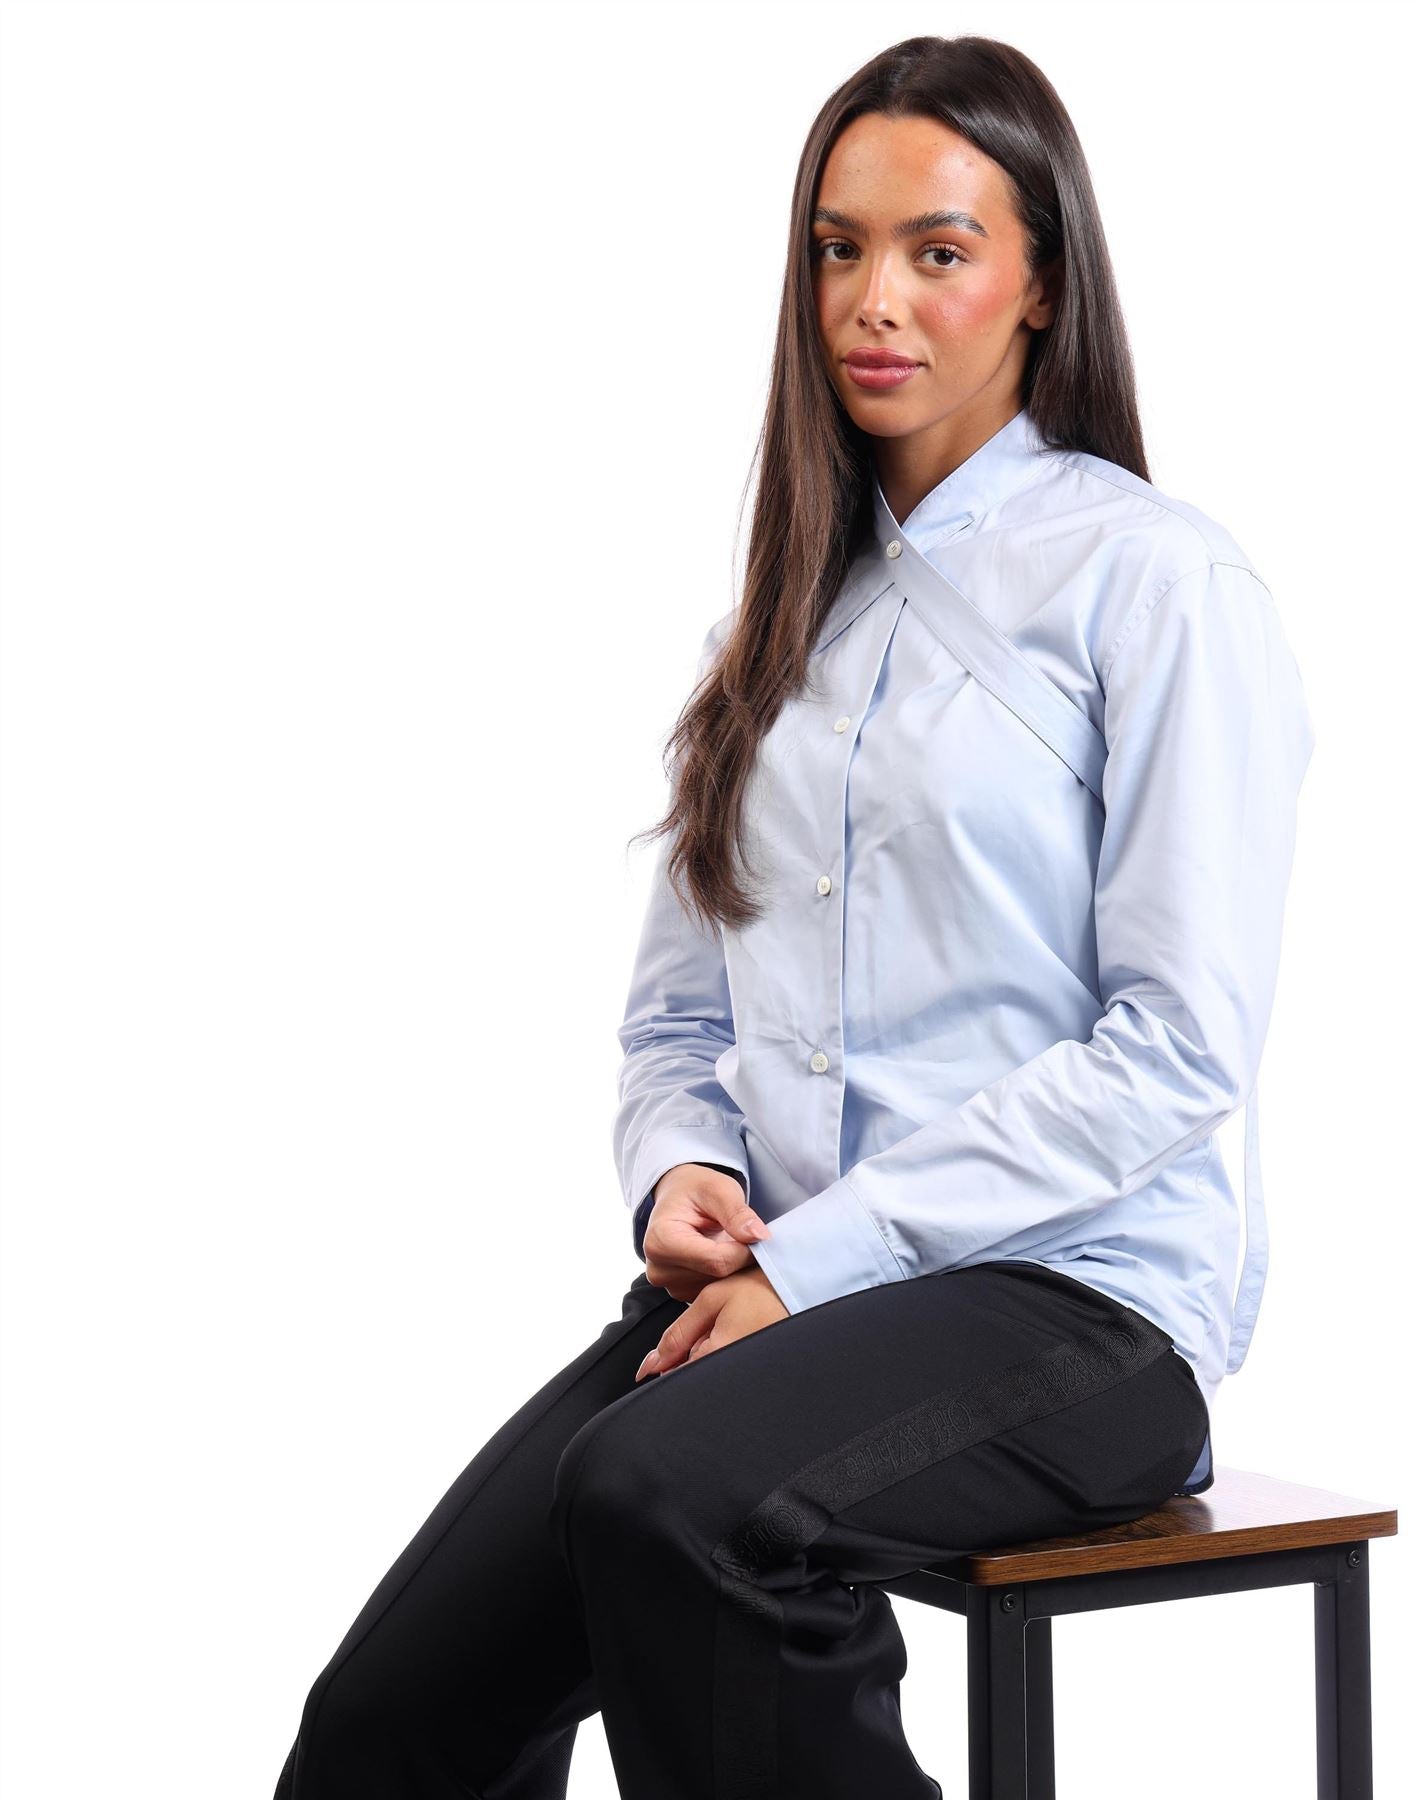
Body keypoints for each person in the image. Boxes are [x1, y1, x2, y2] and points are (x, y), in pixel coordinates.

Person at [272, 31, 1315, 1800]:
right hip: (784, 1298)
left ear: (1042, 283)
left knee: (668, 1499)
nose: (873, 300)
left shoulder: (1159, 586)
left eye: (937, 249)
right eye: (839, 248)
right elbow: (679, 1015)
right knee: (388, 1726)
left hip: (1080, 1309)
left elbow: (1177, 1049)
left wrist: (813, 1268)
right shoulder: (771, 625)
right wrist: (675, 1168)